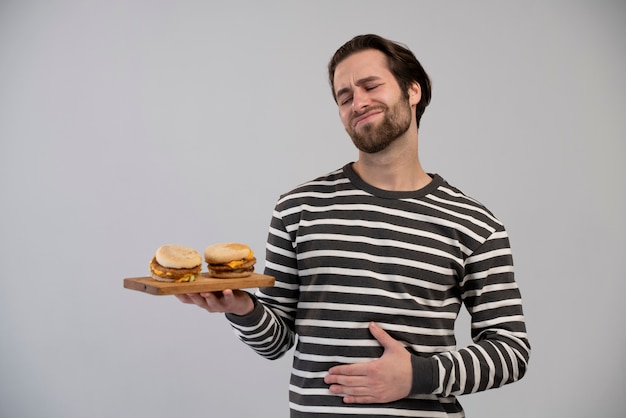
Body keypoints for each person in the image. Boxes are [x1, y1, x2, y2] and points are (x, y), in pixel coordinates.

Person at [177, 34, 531, 417]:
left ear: (413, 91)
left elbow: (510, 350)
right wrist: (242, 308)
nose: (357, 102)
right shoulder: (298, 208)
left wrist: (420, 375)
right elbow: (276, 342)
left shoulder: (475, 223)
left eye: (370, 86)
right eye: (344, 97)